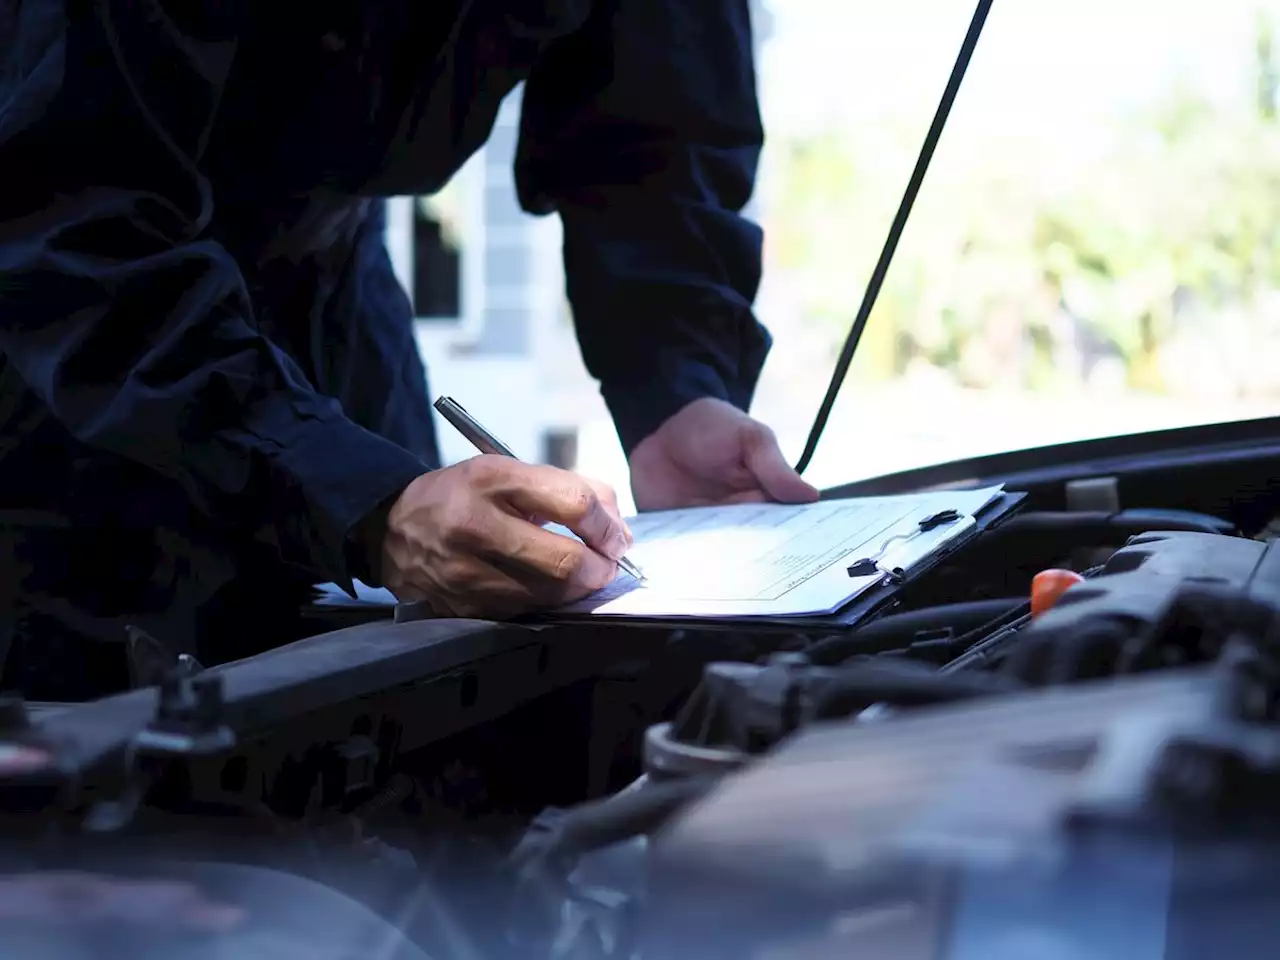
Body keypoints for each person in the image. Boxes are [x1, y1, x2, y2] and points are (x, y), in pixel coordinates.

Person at [0, 0, 818, 700]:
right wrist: (361, 496)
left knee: (414, 728)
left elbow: (656, 132)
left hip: (340, 308)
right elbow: (68, 206)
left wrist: (673, 389)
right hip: (67, 346)